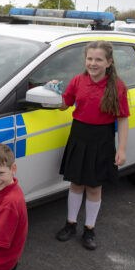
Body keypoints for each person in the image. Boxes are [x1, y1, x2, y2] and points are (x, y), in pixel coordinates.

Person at [53, 40, 129, 250]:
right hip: (79, 135)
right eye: (90, 59)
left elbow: (122, 119)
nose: (93, 63)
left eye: (98, 59)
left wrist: (121, 148)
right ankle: (70, 224)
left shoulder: (118, 87)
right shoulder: (77, 81)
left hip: (101, 139)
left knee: (94, 187)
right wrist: (50, 91)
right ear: (85, 60)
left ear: (109, 62)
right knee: (76, 183)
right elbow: (64, 104)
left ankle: (89, 228)